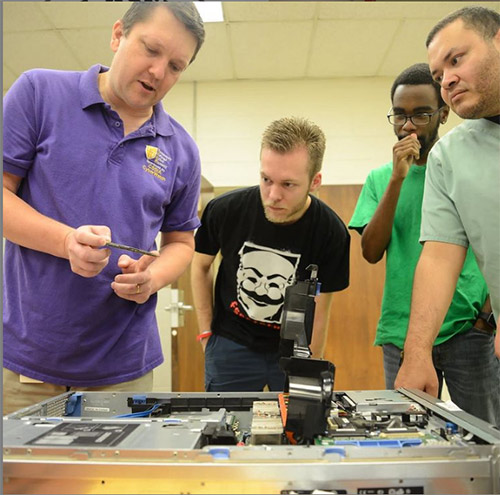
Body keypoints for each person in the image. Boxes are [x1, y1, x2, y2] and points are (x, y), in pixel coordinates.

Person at [2, 3, 205, 415]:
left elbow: (181, 242)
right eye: (151, 49)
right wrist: (65, 242)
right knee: (24, 480)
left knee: (111, 480)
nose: (158, 71)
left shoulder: (181, 149)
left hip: (123, 365)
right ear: (118, 35)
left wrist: (153, 277)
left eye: (176, 66)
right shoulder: (39, 93)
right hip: (28, 358)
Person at [349, 63, 499, 425]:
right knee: (406, 434)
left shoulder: (464, 170)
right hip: (402, 333)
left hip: (468, 329)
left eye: (421, 114)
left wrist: (485, 318)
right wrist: (398, 179)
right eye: (399, 116)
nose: (409, 126)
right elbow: (370, 251)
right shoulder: (379, 179)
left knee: (485, 434)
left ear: (443, 114)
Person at [191, 117, 350, 392]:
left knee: (296, 430)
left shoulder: (331, 231)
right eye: (266, 180)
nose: (273, 195)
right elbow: (200, 265)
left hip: (293, 350)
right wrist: (206, 333)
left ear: (315, 181)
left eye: (288, 185)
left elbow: (322, 303)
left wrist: (311, 357)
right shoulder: (224, 211)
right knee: (226, 430)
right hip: (230, 343)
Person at [394, 7, 500, 407]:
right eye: (439, 76)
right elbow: (439, 257)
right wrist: (417, 351)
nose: (447, 80)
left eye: (456, 60)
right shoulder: (448, 157)